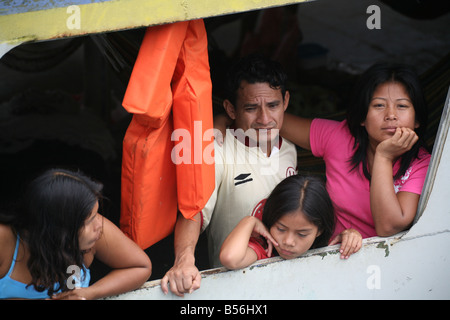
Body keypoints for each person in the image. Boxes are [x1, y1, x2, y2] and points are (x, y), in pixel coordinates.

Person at [161, 53, 298, 297]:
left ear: (286, 101)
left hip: (288, 283)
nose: (265, 119)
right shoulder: (217, 152)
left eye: (273, 105)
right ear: (231, 109)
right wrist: (184, 260)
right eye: (251, 108)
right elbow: (194, 213)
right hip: (234, 288)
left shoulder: (290, 151)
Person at [280, 62, 431, 239]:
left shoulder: (422, 164)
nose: (391, 115)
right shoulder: (338, 137)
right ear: (362, 117)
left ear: (417, 120)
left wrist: (383, 157)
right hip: (328, 253)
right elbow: (272, 122)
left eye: (402, 106)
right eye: (379, 105)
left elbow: (387, 227)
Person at [0, 168, 152, 300]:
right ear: (60, 231)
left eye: (96, 214)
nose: (100, 225)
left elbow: (140, 267)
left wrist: (90, 292)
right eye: (89, 220)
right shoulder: (5, 241)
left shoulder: (95, 230)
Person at [220, 174, 341, 269]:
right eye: (281, 229)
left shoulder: (331, 248)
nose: (288, 241)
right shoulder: (265, 250)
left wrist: (352, 236)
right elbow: (230, 258)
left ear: (320, 230)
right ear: (271, 220)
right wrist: (249, 221)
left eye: (302, 234)